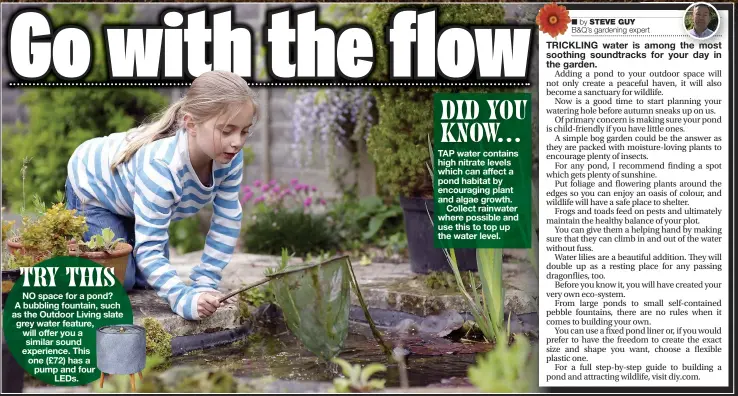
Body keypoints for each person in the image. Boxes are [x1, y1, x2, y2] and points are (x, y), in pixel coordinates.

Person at [65, 70, 259, 320]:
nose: (237, 142)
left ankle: (118, 242)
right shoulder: (162, 168)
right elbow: (150, 251)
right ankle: (63, 258)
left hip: (132, 201)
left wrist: (204, 285)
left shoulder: (230, 159)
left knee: (147, 281)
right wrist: (183, 299)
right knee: (121, 280)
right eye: (226, 131)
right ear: (191, 124)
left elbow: (227, 220)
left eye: (244, 132)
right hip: (93, 189)